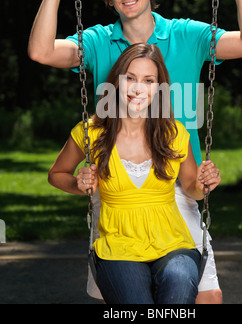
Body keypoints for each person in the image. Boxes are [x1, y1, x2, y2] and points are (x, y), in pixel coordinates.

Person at [28, 0, 242, 304]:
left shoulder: (187, 34)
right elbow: (41, 51)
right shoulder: (97, 41)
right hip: (116, 186)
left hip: (180, 181)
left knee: (207, 296)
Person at [48, 44, 222, 304]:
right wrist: (78, 184)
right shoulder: (91, 132)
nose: (138, 88)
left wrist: (204, 184)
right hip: (118, 246)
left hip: (173, 243)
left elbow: (190, 188)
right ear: (116, 81)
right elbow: (56, 174)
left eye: (148, 80)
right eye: (130, 78)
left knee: (179, 286)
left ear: (159, 88)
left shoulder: (173, 133)